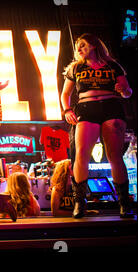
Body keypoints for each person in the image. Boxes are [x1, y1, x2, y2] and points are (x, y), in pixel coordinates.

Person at [61, 33, 134, 218]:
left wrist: (123, 90)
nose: (79, 49)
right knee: (82, 154)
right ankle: (80, 202)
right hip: (87, 107)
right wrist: (67, 110)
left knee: (114, 156)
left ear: (94, 45)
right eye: (77, 46)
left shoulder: (113, 65)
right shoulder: (76, 67)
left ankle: (124, 203)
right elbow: (65, 94)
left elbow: (128, 92)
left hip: (111, 106)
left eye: (83, 45)